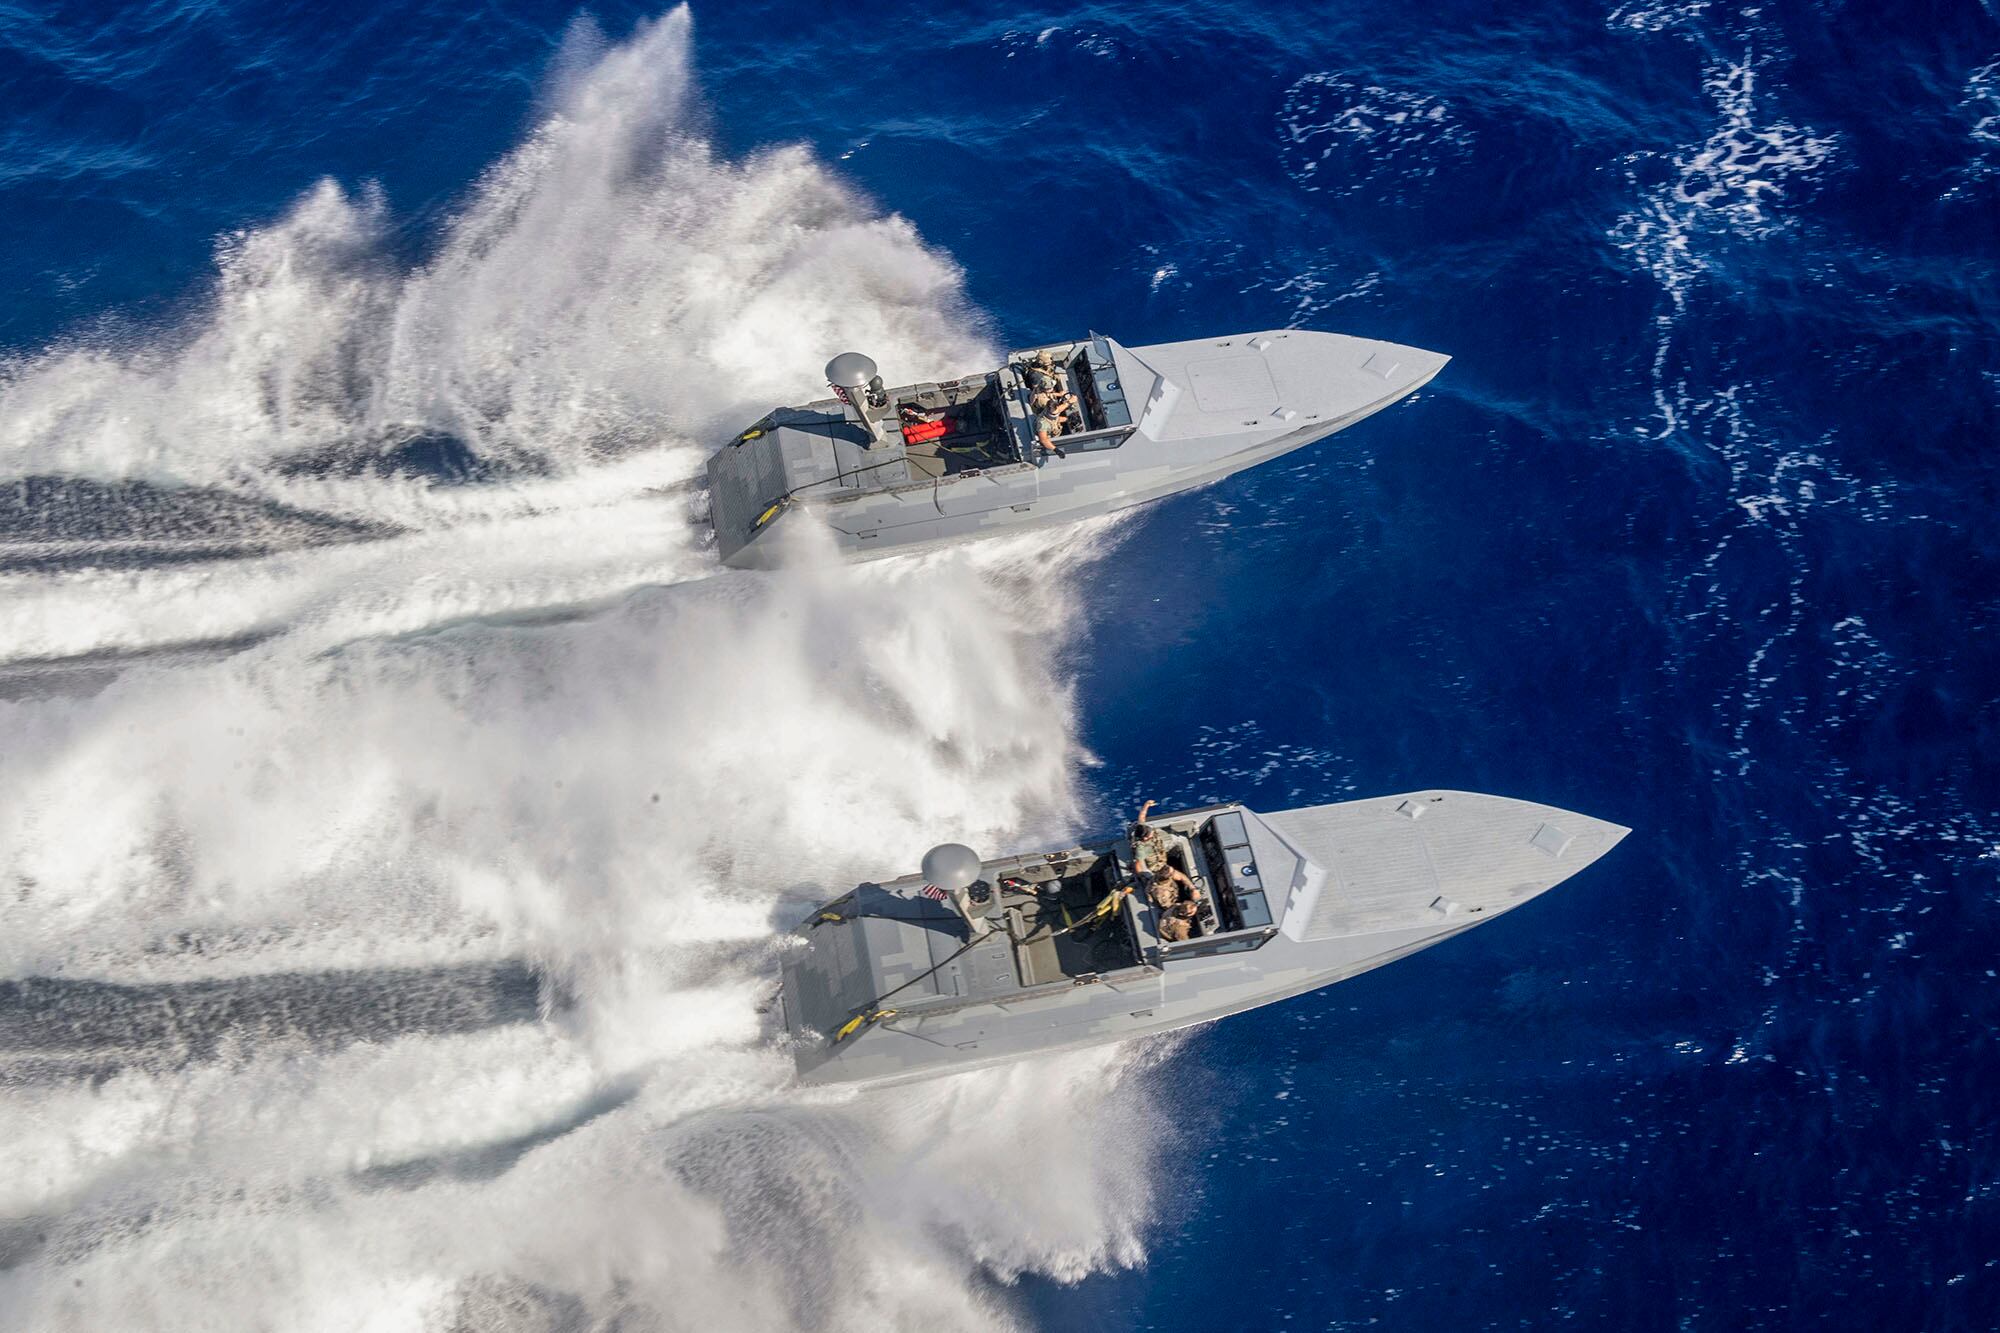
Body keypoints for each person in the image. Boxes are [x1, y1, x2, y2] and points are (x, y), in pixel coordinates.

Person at [1030, 387, 1076, 458]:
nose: (1056, 414)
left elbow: (1059, 411)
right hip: (1052, 439)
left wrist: (1070, 401)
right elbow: (1044, 440)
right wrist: (1056, 450)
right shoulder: (1042, 423)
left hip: (1055, 428)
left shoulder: (1050, 410)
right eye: (1054, 414)